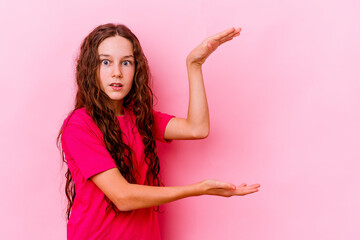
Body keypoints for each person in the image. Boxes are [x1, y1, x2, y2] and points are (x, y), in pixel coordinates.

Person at [57, 23, 260, 240]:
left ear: (136, 70)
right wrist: (198, 188)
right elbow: (123, 197)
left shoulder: (140, 117)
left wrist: (194, 65)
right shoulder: (79, 125)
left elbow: (197, 128)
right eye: (105, 62)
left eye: (126, 63)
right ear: (90, 69)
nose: (116, 73)